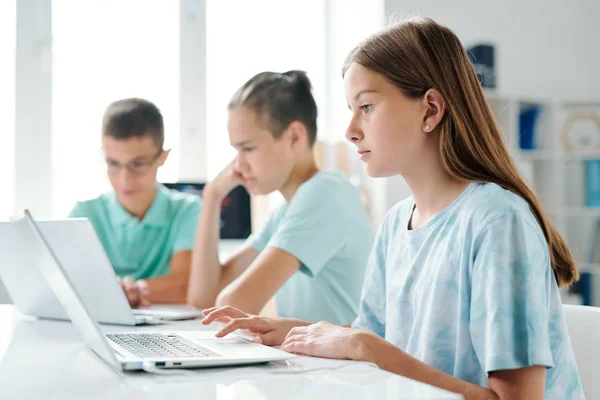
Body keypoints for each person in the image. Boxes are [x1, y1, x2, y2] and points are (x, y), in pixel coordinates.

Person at [199, 18, 584, 399]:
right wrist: (294, 330)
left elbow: (513, 398)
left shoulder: (498, 222)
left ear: (430, 110)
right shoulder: (397, 222)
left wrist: (364, 346)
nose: (350, 129)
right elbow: (375, 339)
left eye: (366, 106)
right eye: (351, 108)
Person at [187, 71, 373, 325]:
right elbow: (204, 297)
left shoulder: (325, 194)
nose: (238, 165)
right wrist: (212, 195)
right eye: (236, 150)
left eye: (248, 148)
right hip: (311, 361)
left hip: (340, 363)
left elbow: (231, 306)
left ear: (294, 136)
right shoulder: (285, 212)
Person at [69, 98, 202, 307]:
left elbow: (185, 286)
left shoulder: (188, 210)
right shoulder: (84, 214)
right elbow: (69, 286)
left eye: (137, 164)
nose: (124, 179)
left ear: (163, 157)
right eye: (113, 164)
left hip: (167, 332)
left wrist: (120, 292)